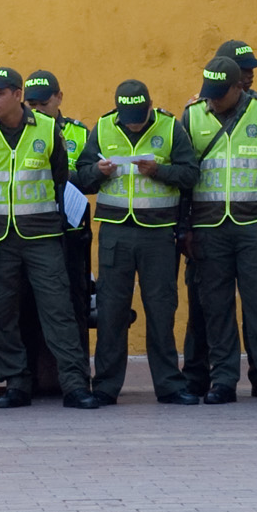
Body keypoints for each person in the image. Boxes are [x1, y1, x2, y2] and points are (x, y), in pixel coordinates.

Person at [0, 67, 98, 409]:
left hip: (41, 235)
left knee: (58, 309)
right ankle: (17, 382)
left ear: (16, 94)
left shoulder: (47, 128)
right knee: (1, 311)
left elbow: (58, 176)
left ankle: (74, 383)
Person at [181, 55, 257, 405]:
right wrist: (185, 227)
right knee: (216, 309)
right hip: (208, 229)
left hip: (256, 228)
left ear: (240, 87)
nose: (214, 99)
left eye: (221, 93)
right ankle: (223, 380)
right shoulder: (192, 115)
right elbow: (185, 179)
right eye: (210, 93)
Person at [73, 79, 199, 405]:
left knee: (161, 310)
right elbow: (80, 177)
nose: (133, 122)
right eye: (128, 116)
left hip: (158, 233)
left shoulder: (171, 127)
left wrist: (160, 171)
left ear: (149, 106)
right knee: (112, 311)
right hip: (116, 232)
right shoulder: (102, 126)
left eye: (139, 116)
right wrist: (98, 171)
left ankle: (169, 385)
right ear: (117, 109)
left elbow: (190, 175)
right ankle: (105, 386)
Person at [23, 69, 94, 367]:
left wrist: (64, 178)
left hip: (72, 230)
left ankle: (74, 371)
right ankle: (34, 372)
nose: (37, 108)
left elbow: (91, 176)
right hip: (35, 228)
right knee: (28, 303)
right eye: (32, 103)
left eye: (43, 102)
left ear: (59, 98)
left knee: (74, 300)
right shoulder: (22, 130)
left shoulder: (78, 132)